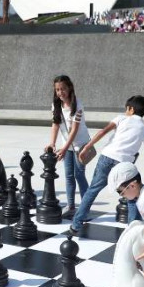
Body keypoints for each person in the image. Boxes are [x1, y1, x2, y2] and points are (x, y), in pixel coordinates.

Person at [69, 96, 144, 236]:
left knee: (92, 190)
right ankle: (132, 232)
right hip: (124, 164)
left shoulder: (120, 118)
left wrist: (87, 147)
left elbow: (102, 132)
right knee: (132, 197)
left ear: (131, 109)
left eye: (126, 109)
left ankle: (75, 225)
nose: (125, 112)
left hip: (107, 157)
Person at [47, 75, 90, 219]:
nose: (60, 92)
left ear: (70, 87)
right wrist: (52, 143)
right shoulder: (56, 105)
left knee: (79, 175)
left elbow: (74, 130)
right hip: (67, 145)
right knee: (69, 176)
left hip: (81, 145)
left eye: (63, 89)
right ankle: (71, 205)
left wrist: (64, 149)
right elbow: (55, 124)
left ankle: (85, 207)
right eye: (57, 90)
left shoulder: (77, 104)